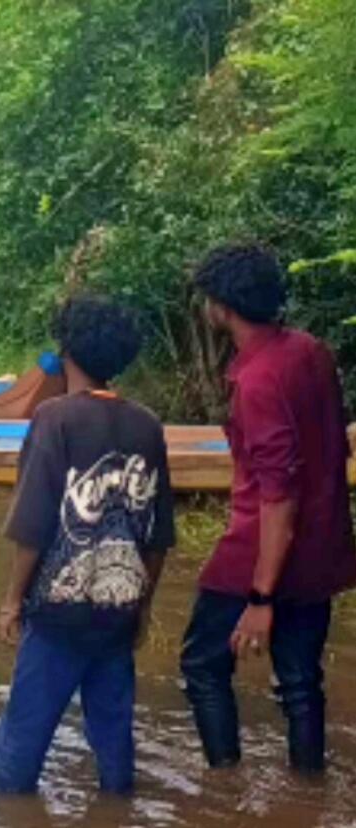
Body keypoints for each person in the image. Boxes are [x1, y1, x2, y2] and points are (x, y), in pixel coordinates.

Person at [181, 244, 354, 774]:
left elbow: (278, 495)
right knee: (300, 680)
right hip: (321, 546)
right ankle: (307, 788)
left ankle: (225, 783)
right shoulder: (310, 351)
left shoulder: (257, 380)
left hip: (260, 551)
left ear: (222, 307)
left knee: (203, 665)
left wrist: (260, 596)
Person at [0, 295, 176, 796]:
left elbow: (32, 525)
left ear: (65, 350)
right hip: (119, 609)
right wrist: (143, 608)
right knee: (113, 736)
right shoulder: (148, 425)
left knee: (22, 739)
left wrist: (12, 601)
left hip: (59, 609)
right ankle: (117, 808)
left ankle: (8, 811)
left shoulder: (55, 418)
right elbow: (157, 535)